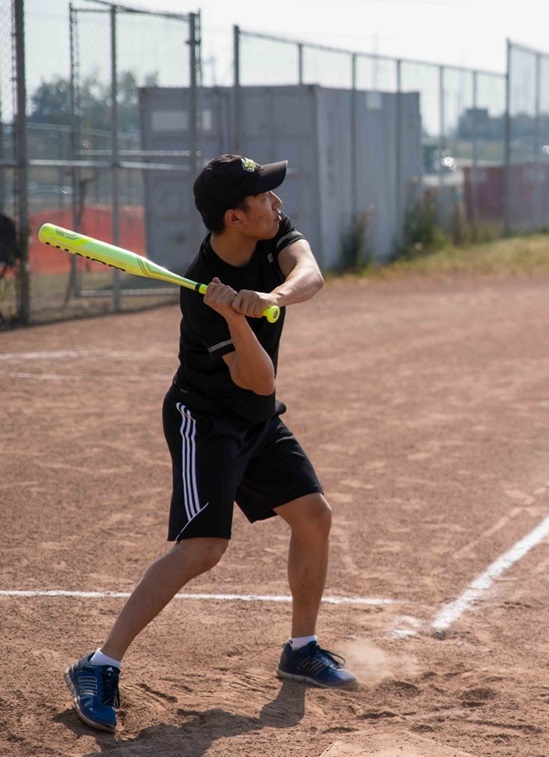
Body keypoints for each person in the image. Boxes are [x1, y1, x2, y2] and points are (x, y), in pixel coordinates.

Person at [64, 154, 356, 734]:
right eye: (262, 198)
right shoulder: (202, 297)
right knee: (203, 549)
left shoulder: (273, 237)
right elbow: (260, 378)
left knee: (314, 516)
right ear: (234, 217)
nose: (275, 203)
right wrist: (237, 317)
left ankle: (301, 649)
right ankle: (97, 666)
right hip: (206, 420)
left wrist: (268, 298)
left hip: (255, 419)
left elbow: (311, 276)